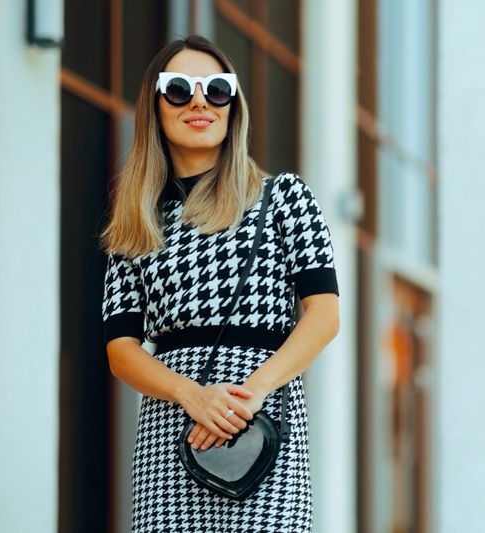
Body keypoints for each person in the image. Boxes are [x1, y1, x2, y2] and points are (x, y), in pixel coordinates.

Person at [100, 34, 340, 532]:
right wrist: (193, 396)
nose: (199, 102)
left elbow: (324, 316)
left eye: (217, 89)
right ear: (155, 107)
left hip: (262, 425)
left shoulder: (284, 198)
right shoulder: (138, 222)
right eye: (180, 89)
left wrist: (251, 393)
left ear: (234, 104)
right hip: (173, 435)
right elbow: (120, 348)